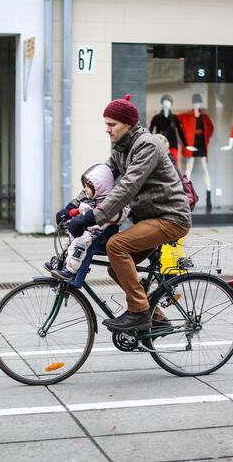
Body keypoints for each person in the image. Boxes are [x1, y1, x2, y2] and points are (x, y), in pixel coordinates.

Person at [66, 94, 191, 331]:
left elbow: (127, 186)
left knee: (116, 246)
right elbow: (100, 181)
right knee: (117, 266)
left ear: (129, 124)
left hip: (170, 218)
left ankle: (139, 311)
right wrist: (72, 207)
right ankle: (156, 317)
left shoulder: (147, 145)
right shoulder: (120, 148)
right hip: (150, 219)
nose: (107, 130)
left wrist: (92, 217)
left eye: (112, 124)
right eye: (106, 124)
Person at [47, 164, 130, 282]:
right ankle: (61, 261)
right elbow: (81, 211)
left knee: (81, 243)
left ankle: (70, 270)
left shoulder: (109, 202)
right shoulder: (91, 199)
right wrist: (70, 214)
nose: (85, 189)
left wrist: (84, 221)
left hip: (101, 235)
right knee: (69, 238)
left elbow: (109, 216)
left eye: (87, 186)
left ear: (99, 187)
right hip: (90, 231)